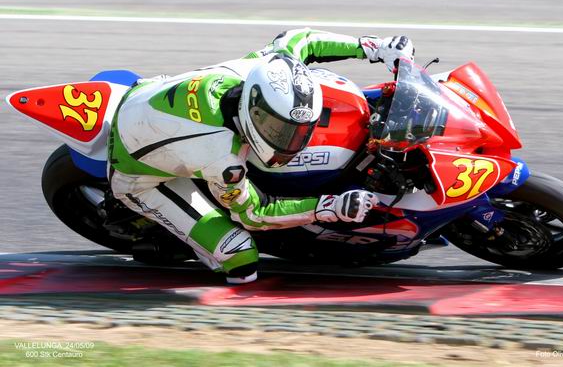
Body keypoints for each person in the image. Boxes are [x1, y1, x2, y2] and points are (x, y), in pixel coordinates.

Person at [107, 28, 415, 283]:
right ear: (254, 110)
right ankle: (184, 243)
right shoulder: (223, 160)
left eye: (298, 131)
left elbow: (302, 40)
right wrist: (329, 206)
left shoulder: (261, 68)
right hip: (140, 176)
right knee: (241, 258)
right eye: (281, 130)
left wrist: (374, 47)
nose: (294, 141)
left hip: (147, 96)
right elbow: (254, 214)